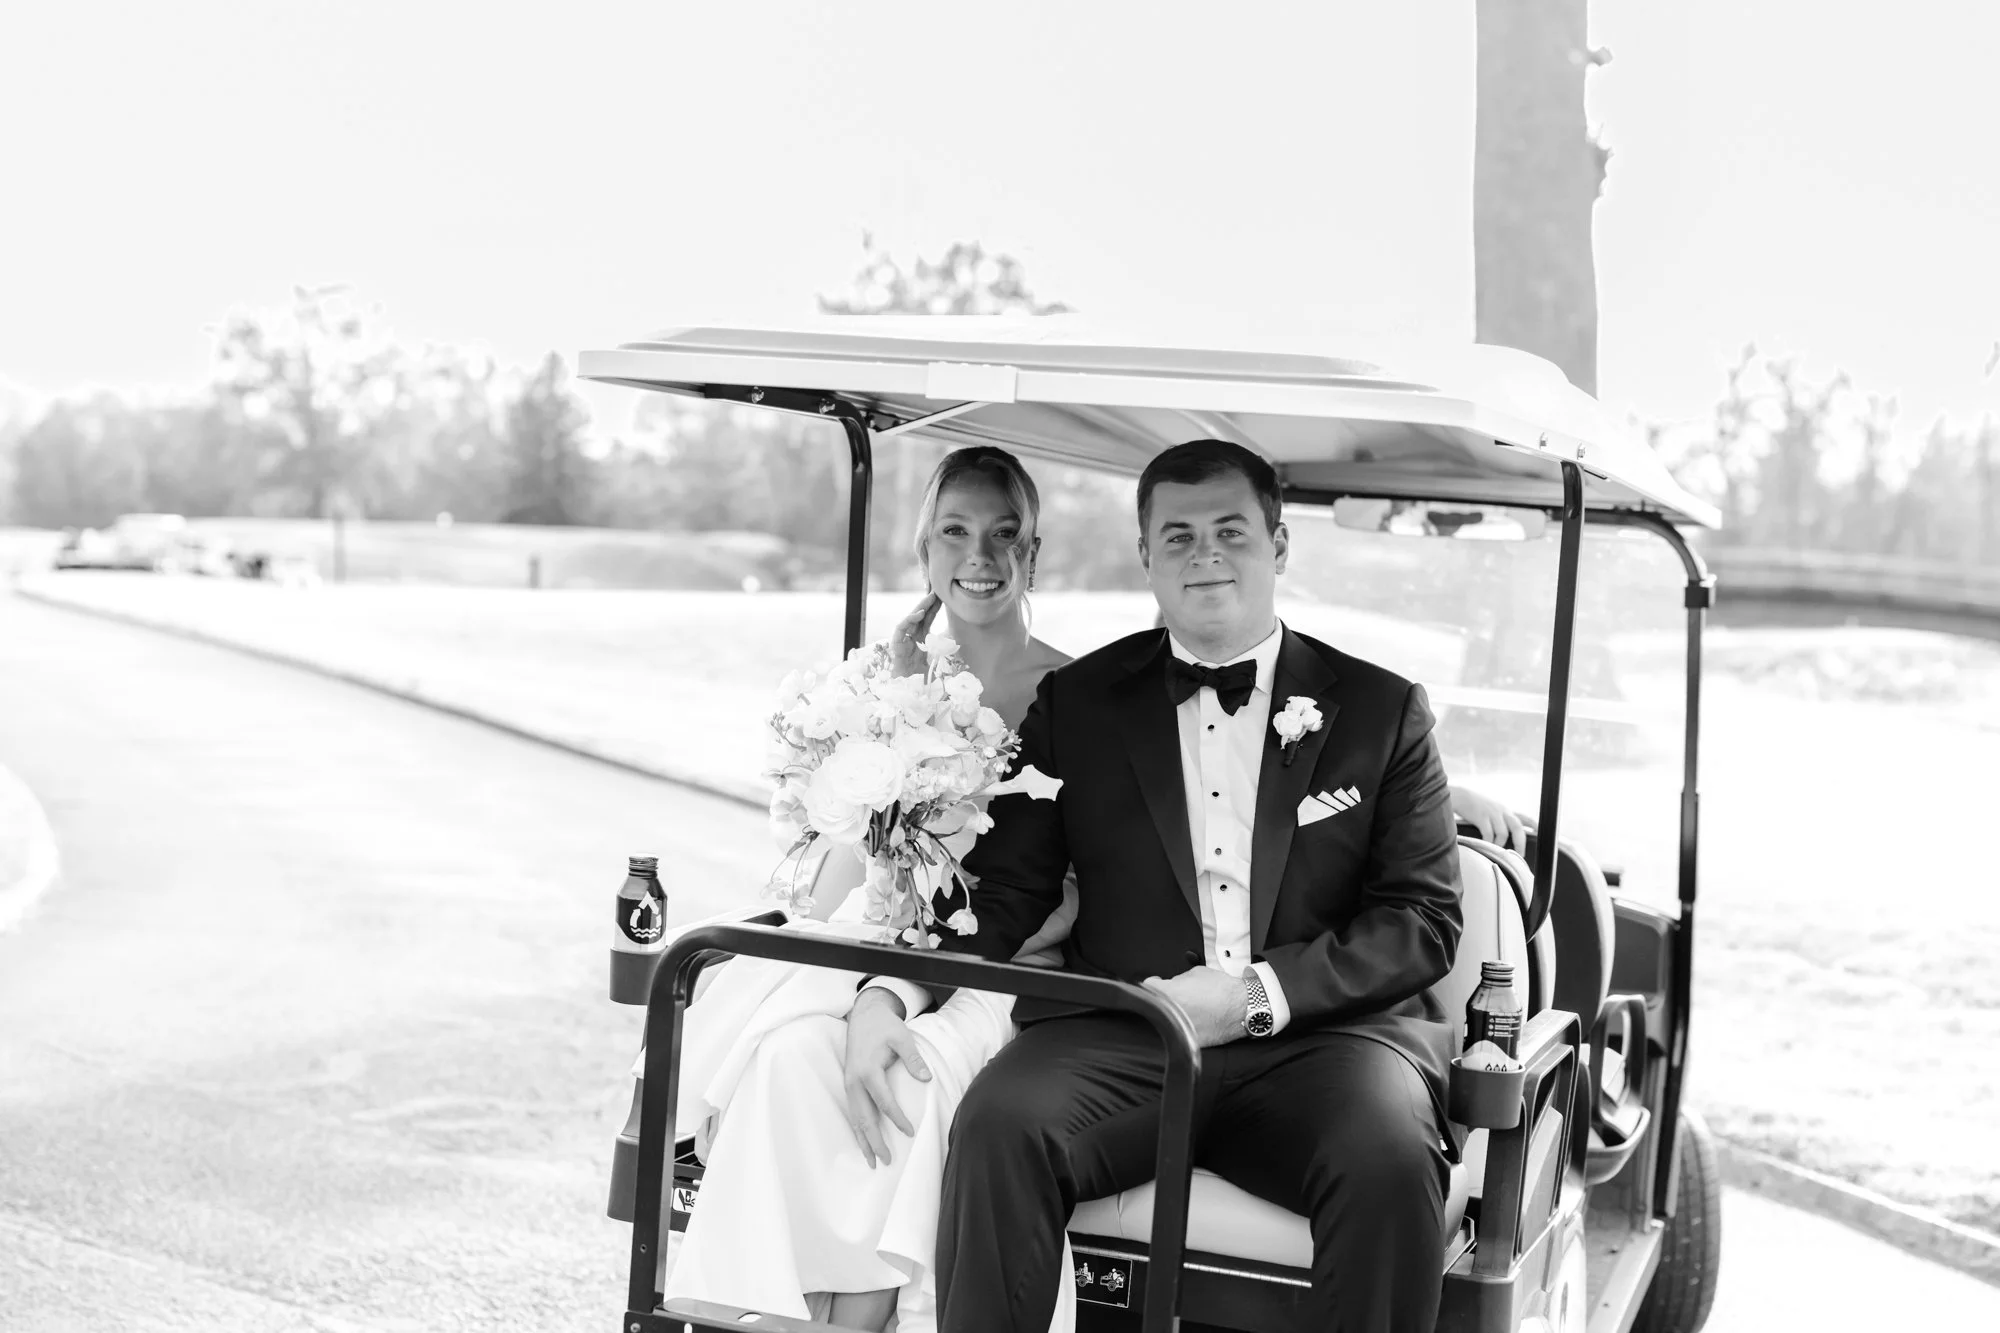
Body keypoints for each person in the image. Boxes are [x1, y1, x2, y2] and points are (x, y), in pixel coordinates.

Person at [671, 442, 1522, 1333]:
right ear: (1145, 555)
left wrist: (1252, 995)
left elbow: (1421, 920)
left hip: (1325, 1044)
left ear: (1278, 546)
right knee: (1001, 1124)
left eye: (1231, 531)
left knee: (1387, 1158)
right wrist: (891, 992)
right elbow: (1006, 892)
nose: (1205, 554)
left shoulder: (1383, 710)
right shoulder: (1079, 703)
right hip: (1129, 1031)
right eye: (1178, 535)